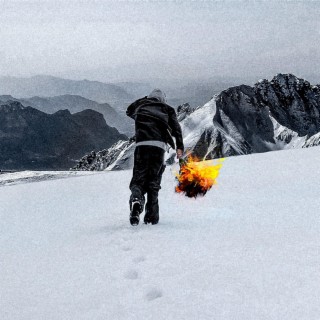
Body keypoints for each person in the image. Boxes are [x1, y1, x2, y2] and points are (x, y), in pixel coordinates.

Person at [126, 89, 184, 226]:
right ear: (162, 100)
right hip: (158, 147)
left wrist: (144, 100)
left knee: (138, 179)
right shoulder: (167, 109)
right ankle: (151, 217)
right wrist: (179, 147)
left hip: (141, 145)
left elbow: (129, 111)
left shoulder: (141, 106)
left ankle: (136, 198)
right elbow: (176, 129)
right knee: (153, 182)